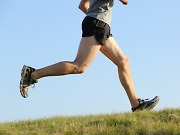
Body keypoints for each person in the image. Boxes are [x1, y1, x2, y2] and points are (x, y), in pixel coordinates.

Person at [20, 0, 159, 112]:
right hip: (97, 24)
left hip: (98, 24)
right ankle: (33, 74)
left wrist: (93, 16)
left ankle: (136, 105)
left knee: (123, 61)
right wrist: (95, 18)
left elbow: (82, 5)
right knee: (79, 66)